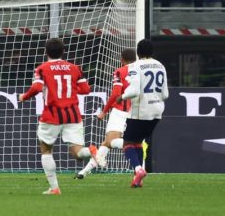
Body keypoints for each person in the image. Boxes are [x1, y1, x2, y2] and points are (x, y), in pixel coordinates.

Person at [18, 38, 101, 195]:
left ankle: (54, 188)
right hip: (73, 114)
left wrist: (24, 97)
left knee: (46, 149)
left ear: (46, 52)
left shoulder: (42, 68)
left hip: (52, 114)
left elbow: (36, 87)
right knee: (77, 153)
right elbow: (85, 90)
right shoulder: (75, 68)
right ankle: (91, 151)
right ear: (63, 52)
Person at [77, 49, 136, 179]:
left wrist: (104, 111)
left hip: (121, 111)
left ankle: (134, 146)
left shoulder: (120, 71)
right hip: (136, 112)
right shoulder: (140, 71)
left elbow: (116, 94)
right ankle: (84, 172)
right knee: (106, 143)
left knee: (110, 141)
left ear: (122, 59)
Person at [116, 39, 169, 188]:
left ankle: (139, 170)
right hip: (157, 110)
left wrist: (122, 96)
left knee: (127, 143)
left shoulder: (135, 66)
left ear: (138, 52)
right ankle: (138, 179)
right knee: (138, 142)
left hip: (141, 110)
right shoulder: (160, 66)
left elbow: (134, 91)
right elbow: (165, 94)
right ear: (152, 52)